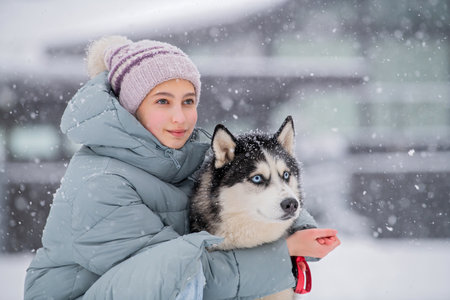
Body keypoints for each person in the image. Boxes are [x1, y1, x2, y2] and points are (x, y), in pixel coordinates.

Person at [24, 36, 340, 300]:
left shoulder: (186, 156)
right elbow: (184, 279)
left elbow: (248, 200)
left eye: (188, 101)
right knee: (182, 267)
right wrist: (283, 252)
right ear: (132, 108)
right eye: (163, 101)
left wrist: (299, 228)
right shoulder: (100, 184)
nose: (180, 116)